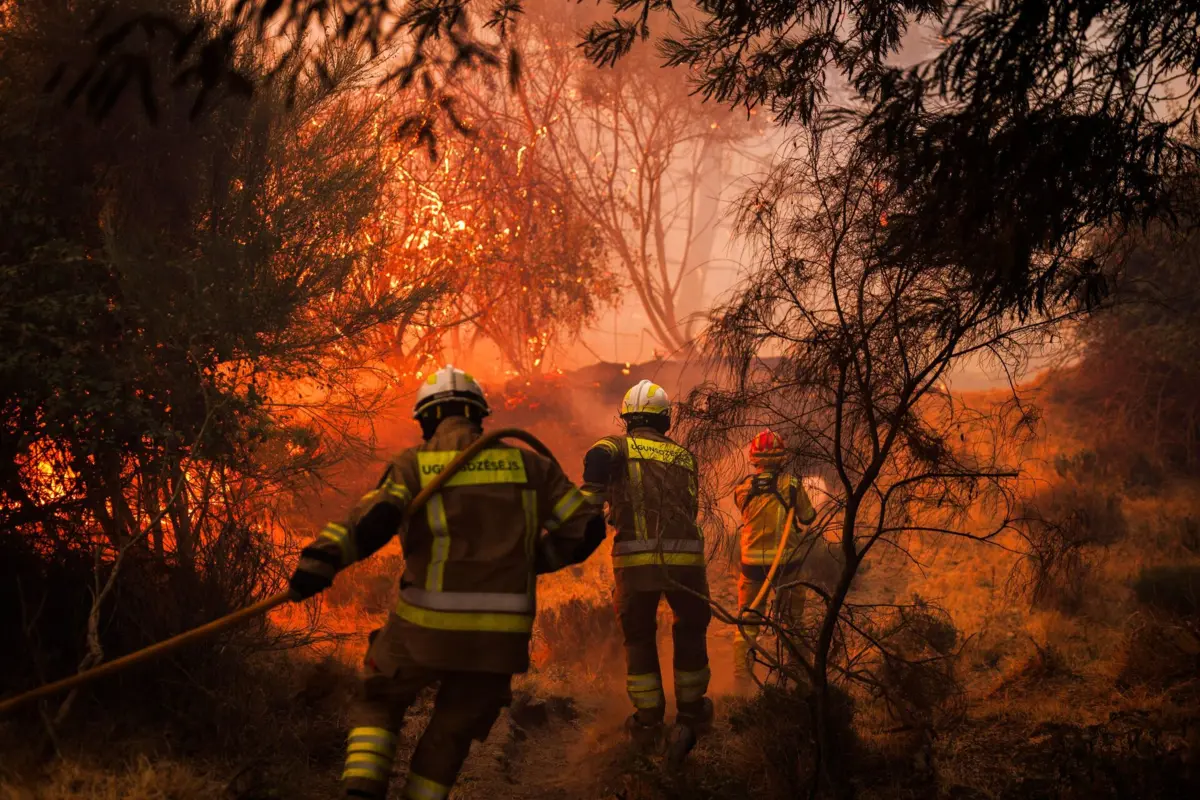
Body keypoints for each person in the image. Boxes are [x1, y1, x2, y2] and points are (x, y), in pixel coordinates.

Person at [288, 365, 606, 800]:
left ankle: (362, 789)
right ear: (478, 416)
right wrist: (531, 562)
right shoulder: (530, 465)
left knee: (379, 697)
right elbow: (586, 530)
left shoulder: (415, 464)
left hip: (422, 630)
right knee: (453, 731)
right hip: (499, 643)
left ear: (427, 418)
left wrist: (319, 562)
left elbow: (374, 519)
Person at [580, 379, 712, 747]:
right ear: (665, 421)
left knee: (639, 636)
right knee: (690, 629)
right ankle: (692, 712)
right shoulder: (685, 457)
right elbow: (685, 507)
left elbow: (597, 457)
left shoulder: (618, 445)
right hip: (687, 562)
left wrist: (593, 504)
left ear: (626, 419)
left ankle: (648, 721)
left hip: (637, 563)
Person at [732, 430, 817, 690]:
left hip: (752, 567)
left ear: (753, 458)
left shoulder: (742, 489)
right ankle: (802, 680)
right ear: (782, 457)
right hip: (787, 564)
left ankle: (741, 684)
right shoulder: (791, 485)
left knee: (747, 625)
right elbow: (808, 517)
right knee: (792, 622)